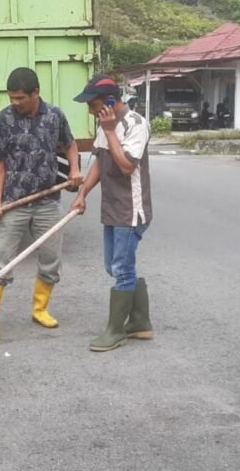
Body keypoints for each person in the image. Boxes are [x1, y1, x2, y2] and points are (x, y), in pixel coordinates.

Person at [0, 67, 82, 345]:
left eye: (20, 97)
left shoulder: (54, 116)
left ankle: (40, 310)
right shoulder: (4, 120)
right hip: (14, 202)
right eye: (11, 97)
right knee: (2, 264)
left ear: (36, 93)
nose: (15, 102)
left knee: (51, 261)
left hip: (48, 201)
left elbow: (70, 145)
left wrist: (74, 170)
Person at [70, 74, 153, 352]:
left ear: (109, 101)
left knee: (121, 269)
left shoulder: (135, 124)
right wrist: (82, 195)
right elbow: (99, 164)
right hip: (112, 209)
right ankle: (140, 322)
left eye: (93, 105)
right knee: (114, 266)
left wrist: (109, 130)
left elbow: (126, 165)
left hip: (131, 210)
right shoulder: (105, 126)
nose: (91, 112)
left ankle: (116, 330)